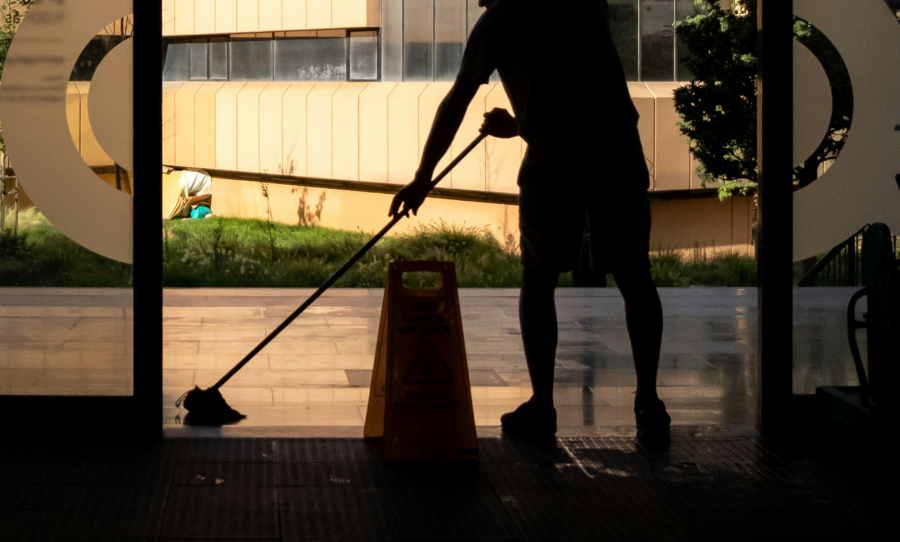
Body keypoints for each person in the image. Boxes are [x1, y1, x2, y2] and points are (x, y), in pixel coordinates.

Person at [389, 0, 670, 442]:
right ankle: (649, 402)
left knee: (539, 279)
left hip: (553, 164)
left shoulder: (501, 21)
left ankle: (543, 407)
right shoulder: (584, 6)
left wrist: (423, 177)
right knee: (635, 275)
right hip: (617, 152)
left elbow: (458, 100)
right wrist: (521, 124)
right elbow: (580, 93)